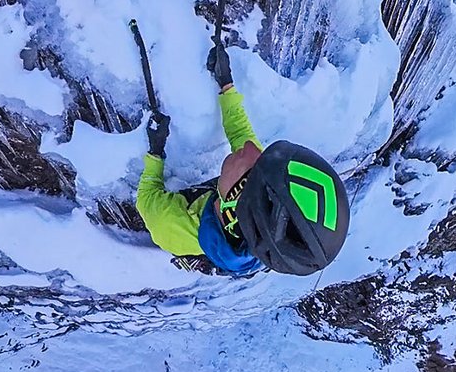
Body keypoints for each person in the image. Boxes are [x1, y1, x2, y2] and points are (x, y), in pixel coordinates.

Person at [136, 43, 350, 276]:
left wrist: (155, 154)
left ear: (231, 212)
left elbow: (147, 199)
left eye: (251, 174)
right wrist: (226, 85)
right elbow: (242, 136)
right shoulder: (257, 194)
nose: (251, 149)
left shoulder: (170, 226)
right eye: (263, 160)